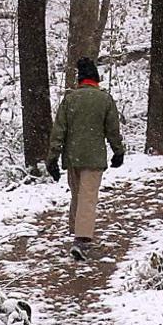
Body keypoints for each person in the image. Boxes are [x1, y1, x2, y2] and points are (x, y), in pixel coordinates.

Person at [46, 57, 125, 260]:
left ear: (80, 80)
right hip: (94, 157)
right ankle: (81, 240)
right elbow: (112, 130)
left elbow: (59, 131)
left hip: (72, 157)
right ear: (96, 79)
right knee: (88, 198)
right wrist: (118, 151)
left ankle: (76, 231)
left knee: (77, 196)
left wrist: (52, 158)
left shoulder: (70, 100)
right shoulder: (104, 99)